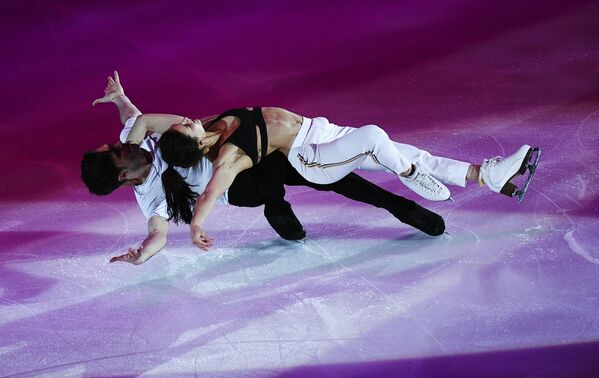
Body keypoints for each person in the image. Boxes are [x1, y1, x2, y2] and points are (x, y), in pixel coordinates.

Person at [81, 72, 446, 264]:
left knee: (330, 177)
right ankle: (276, 205)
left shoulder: (135, 140)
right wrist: (141, 254)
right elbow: (158, 233)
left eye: (114, 143)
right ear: (123, 176)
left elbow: (134, 118)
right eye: (115, 151)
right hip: (236, 189)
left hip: (236, 157)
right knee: (274, 176)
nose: (120, 143)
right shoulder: (150, 197)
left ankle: (403, 207)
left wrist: (121, 98)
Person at [129, 105, 539, 250]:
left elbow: (144, 120)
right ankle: (410, 176)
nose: (184, 118)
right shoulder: (227, 158)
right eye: (185, 126)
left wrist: (121, 101)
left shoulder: (203, 124)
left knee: (403, 149)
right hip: (312, 158)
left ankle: (487, 175)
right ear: (195, 146)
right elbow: (211, 194)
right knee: (377, 139)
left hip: (321, 130)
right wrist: (197, 226)